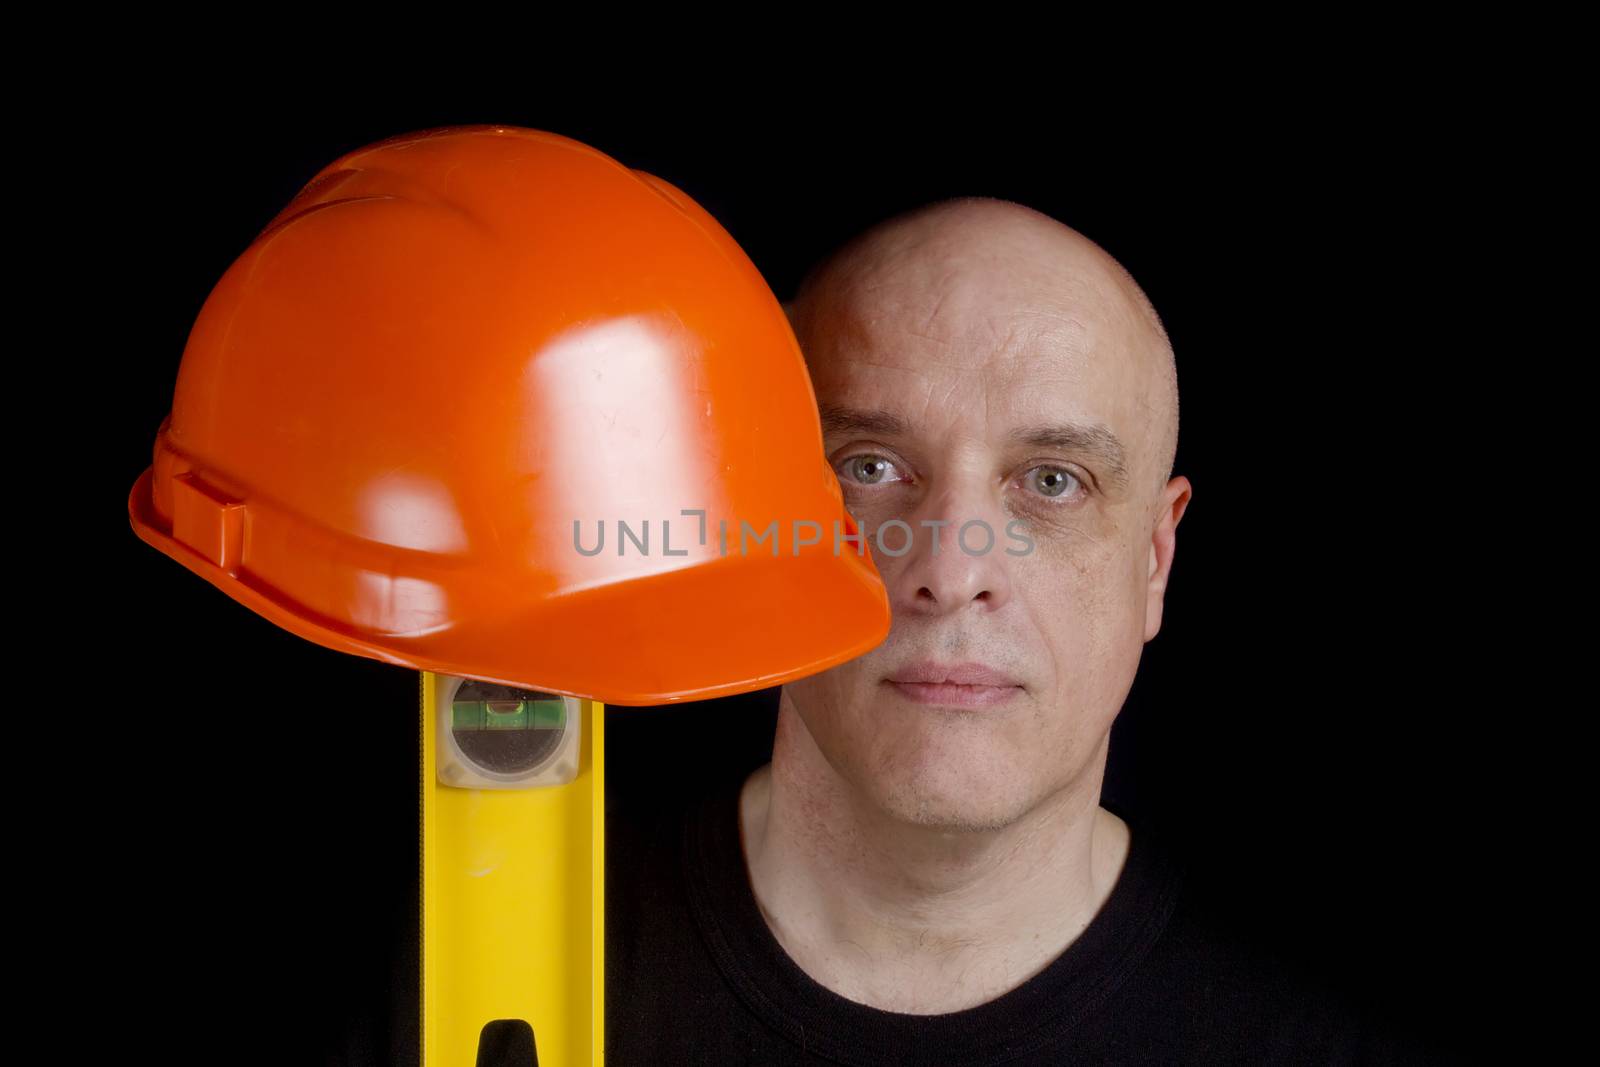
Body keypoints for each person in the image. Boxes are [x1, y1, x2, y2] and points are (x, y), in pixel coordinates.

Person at [606, 197, 1434, 1064]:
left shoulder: (1326, 1045)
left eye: (1052, 480)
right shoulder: (489, 966)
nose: (953, 573)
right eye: (871, 467)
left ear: (1155, 560)